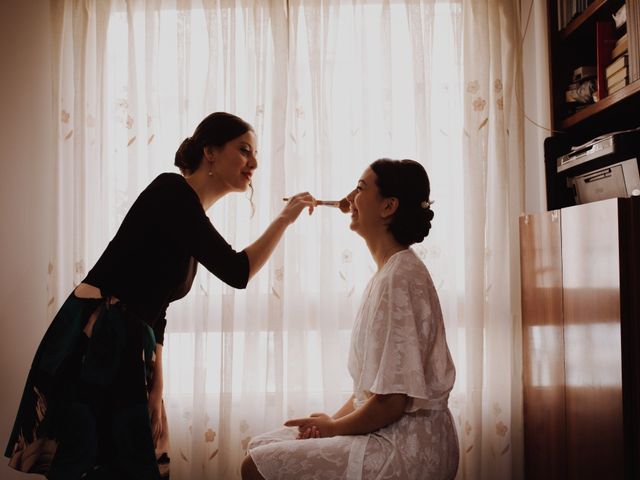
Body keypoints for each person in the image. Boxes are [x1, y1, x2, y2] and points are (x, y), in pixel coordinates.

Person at [5, 112, 316, 480]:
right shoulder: (172, 191)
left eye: (256, 153)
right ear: (210, 152)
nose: (255, 162)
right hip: (97, 336)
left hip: (127, 341)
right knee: (103, 463)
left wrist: (157, 388)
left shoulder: (187, 213)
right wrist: (284, 219)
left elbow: (157, 311)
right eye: (244, 150)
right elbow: (237, 272)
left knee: (123, 461)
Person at [241, 158, 459, 480]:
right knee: (260, 446)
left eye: (360, 187)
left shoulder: (400, 277)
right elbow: (371, 393)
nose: (350, 197)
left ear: (388, 206)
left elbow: (391, 402)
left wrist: (333, 428)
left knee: (255, 467)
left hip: (404, 445)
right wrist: (328, 422)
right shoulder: (390, 272)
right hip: (388, 429)